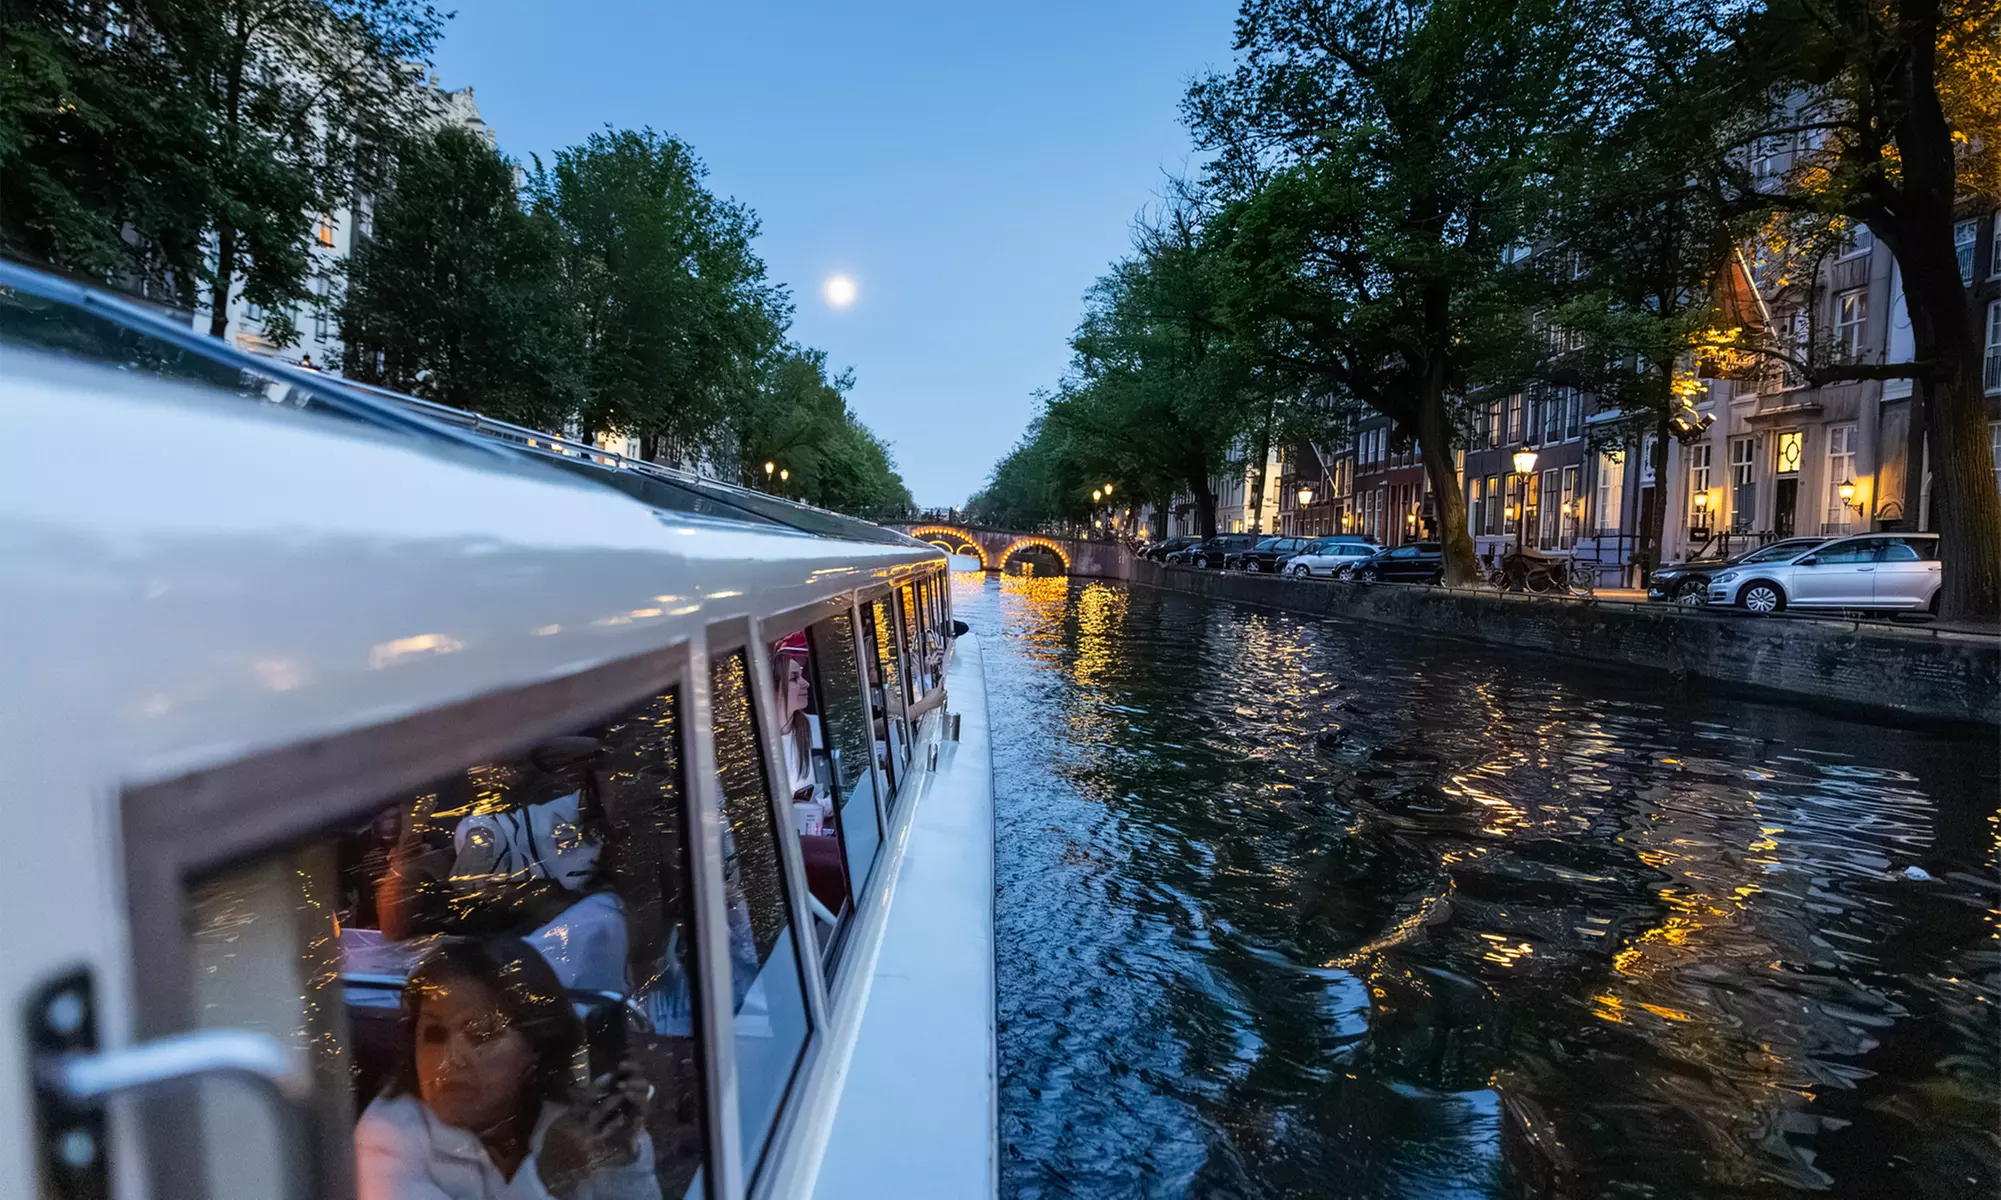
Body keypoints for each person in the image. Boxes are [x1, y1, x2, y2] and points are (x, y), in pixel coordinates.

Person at [355, 937, 660, 1200]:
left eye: (481, 1032)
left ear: (537, 1046)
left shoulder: (577, 1113)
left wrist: (621, 1157)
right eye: (435, 1034)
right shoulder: (387, 1139)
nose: (451, 1059)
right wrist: (548, 1178)